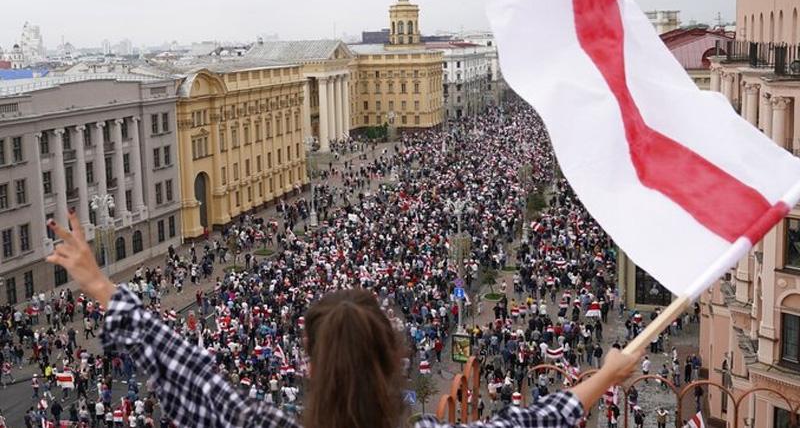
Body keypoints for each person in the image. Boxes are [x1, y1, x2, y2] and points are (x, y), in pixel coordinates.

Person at [47, 208, 643, 428]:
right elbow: (542, 418)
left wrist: (100, 284)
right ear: (393, 359)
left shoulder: (255, 422)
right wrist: (607, 376)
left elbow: (184, 366)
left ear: (310, 361)